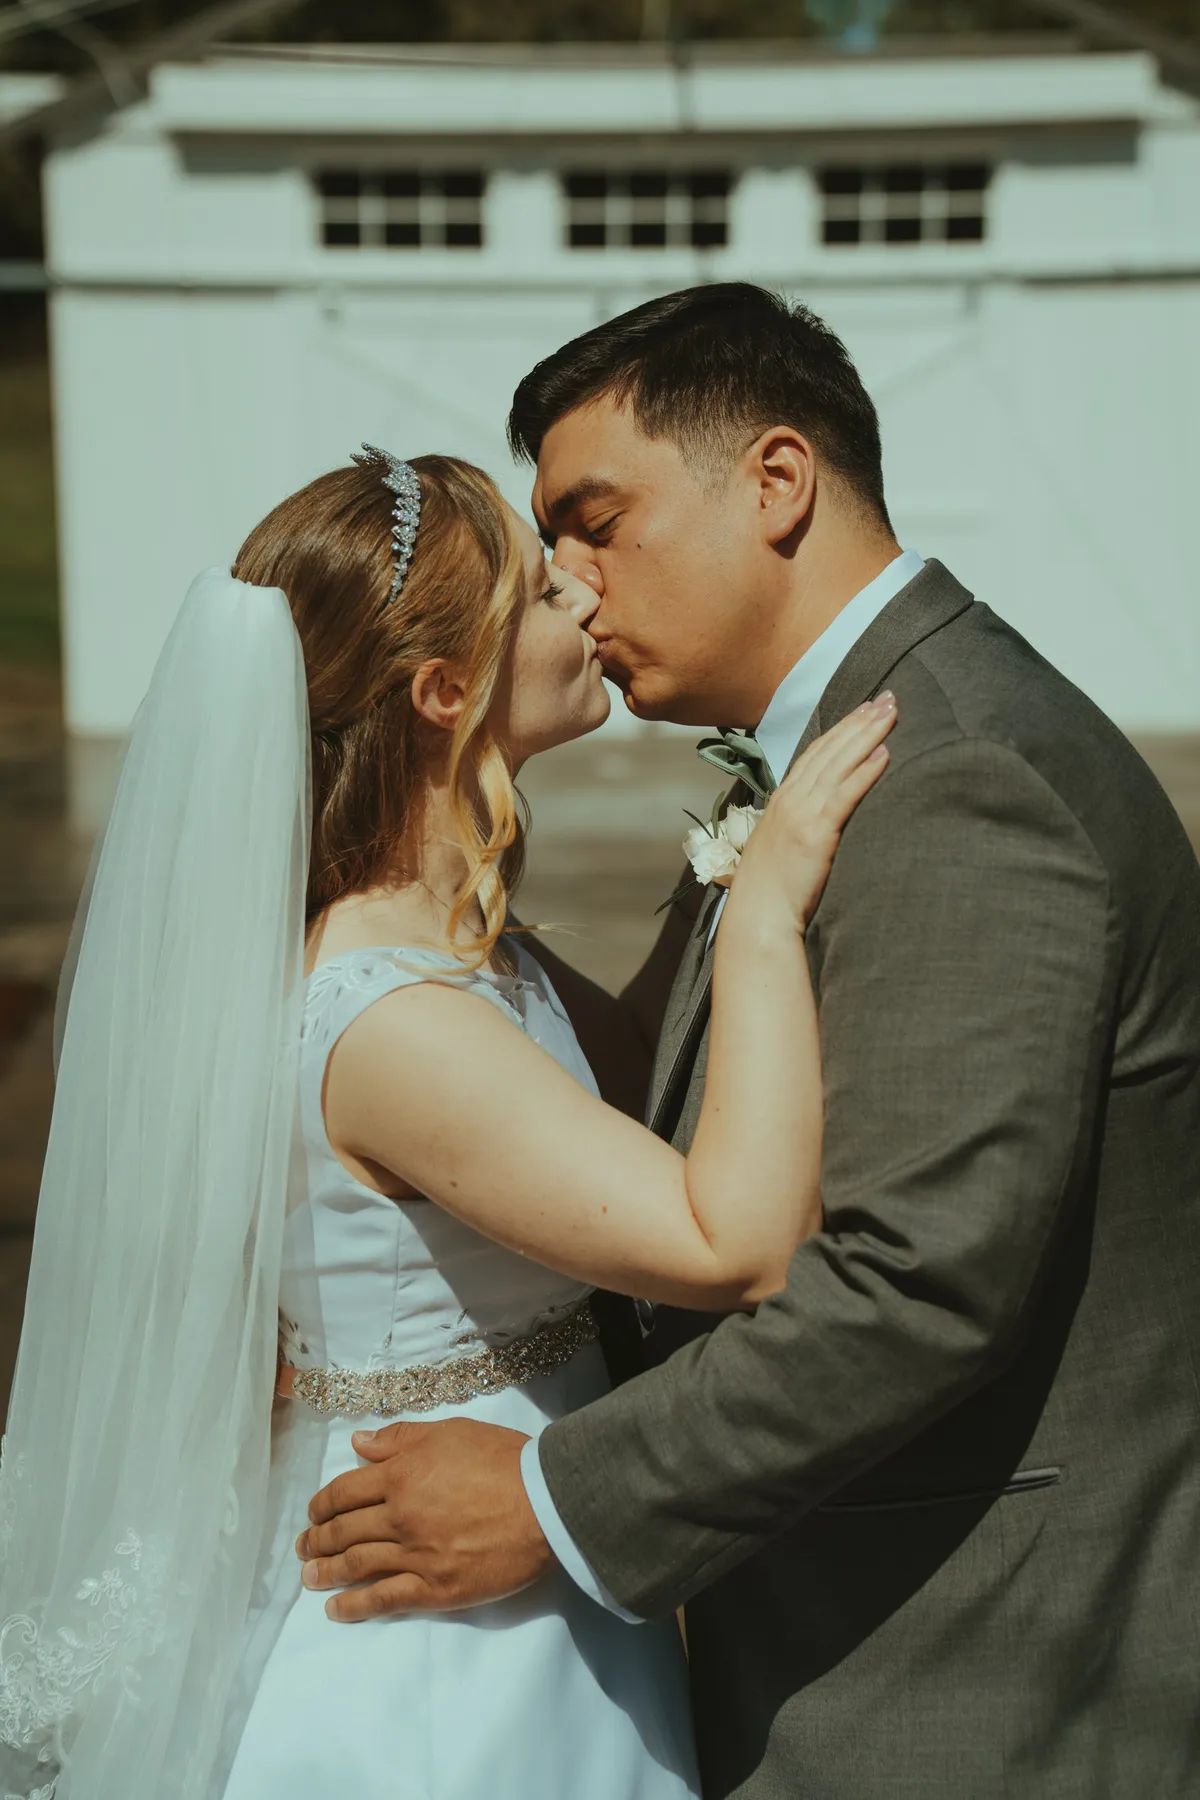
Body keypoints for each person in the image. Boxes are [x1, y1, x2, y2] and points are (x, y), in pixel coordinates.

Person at [296, 285, 1200, 1799]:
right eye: (545, 555)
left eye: (596, 521)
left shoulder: (954, 779)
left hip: (977, 1663)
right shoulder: (832, 755)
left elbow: (917, 1281)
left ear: (776, 483)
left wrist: (552, 1499)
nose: (572, 586)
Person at [0, 442, 895, 1800]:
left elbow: (655, 1079)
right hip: (441, 1656)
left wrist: (726, 865)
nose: (587, 602)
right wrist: (764, 911)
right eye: (542, 593)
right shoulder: (389, 1021)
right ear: (441, 690)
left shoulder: (463, 951)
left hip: (527, 1585)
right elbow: (735, 1240)